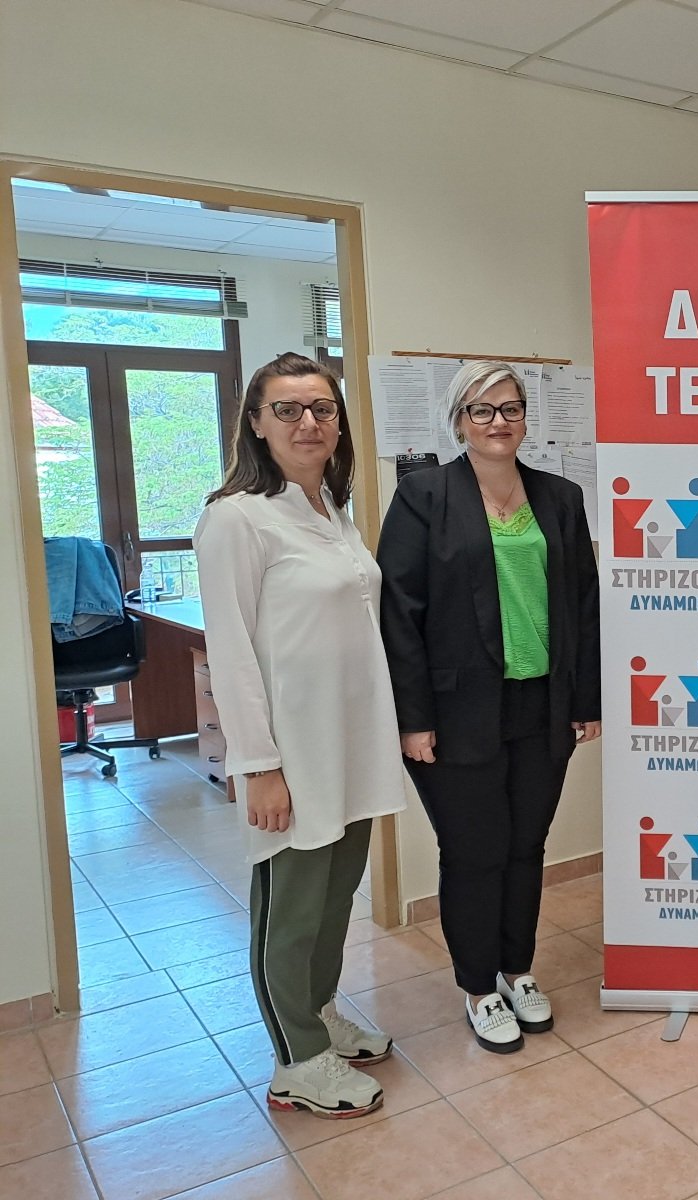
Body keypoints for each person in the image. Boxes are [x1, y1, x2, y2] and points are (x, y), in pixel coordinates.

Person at [195, 352, 403, 1119]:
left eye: (321, 408)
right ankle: (296, 1061)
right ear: (256, 423)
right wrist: (259, 766)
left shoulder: (330, 510)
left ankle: (317, 1015)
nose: (307, 422)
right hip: (292, 754)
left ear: (338, 423)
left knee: (334, 898)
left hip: (351, 746)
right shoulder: (235, 518)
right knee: (288, 912)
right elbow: (232, 652)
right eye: (286, 409)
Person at [378, 361, 600, 1055]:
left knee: (525, 847)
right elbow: (399, 613)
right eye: (482, 409)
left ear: (526, 417)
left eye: (510, 408)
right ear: (458, 421)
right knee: (474, 851)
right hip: (455, 712)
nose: (498, 421)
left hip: (542, 704)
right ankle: (478, 987)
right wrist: (413, 719)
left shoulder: (560, 497)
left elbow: (584, 605)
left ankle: (517, 969)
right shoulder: (424, 496)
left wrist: (586, 699)